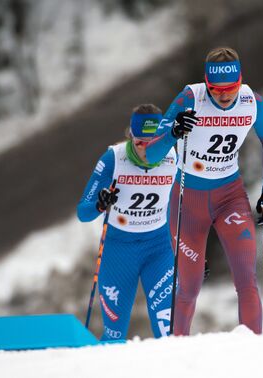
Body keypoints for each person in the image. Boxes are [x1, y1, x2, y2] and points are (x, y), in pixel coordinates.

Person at [146, 47, 263, 335]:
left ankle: (255, 358)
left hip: (229, 197)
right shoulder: (190, 98)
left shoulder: (251, 102)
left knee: (246, 279)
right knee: (189, 287)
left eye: (229, 88)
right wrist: (172, 132)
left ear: (240, 81)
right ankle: (176, 355)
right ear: (206, 83)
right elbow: (151, 155)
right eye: (215, 89)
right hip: (188, 202)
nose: (223, 96)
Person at [77, 104, 178, 341]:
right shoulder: (114, 158)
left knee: (168, 332)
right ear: (130, 135)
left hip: (159, 249)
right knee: (114, 336)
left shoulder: (175, 155)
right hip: (118, 251)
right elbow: (83, 212)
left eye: (153, 142)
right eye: (140, 142)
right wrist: (100, 204)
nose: (146, 150)